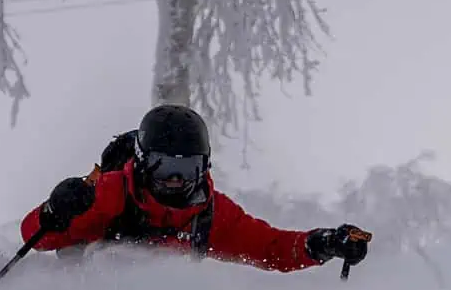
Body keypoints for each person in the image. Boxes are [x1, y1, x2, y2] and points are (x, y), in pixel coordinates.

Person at [20, 103, 371, 274]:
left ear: (204, 166)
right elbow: (35, 236)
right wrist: (56, 211)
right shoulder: (111, 192)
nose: (176, 180)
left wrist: (321, 244)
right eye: (164, 167)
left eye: (188, 168)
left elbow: (272, 248)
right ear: (142, 162)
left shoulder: (209, 213)